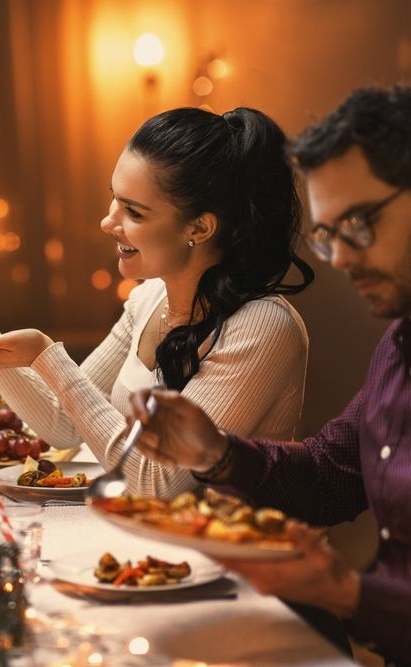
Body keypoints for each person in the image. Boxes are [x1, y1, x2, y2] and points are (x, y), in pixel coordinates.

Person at [128, 85, 411, 666]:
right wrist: (217, 453)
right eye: (329, 237)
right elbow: (332, 473)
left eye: (359, 223)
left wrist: (351, 595)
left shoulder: (268, 325)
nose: (344, 259)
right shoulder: (398, 346)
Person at [0, 107, 313, 497]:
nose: (107, 220)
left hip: (234, 560)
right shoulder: (149, 299)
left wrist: (48, 355)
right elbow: (62, 426)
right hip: (152, 548)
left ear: (200, 227)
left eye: (133, 211)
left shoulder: (264, 326)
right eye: (114, 198)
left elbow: (159, 484)